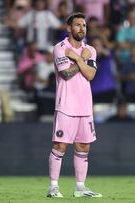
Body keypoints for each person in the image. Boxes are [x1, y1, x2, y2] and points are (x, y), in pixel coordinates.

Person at [47, 12, 102, 198]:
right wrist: (82, 60)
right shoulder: (60, 48)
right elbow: (66, 74)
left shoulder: (90, 50)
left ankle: (80, 188)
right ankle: (53, 187)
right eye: (78, 25)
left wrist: (78, 58)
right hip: (65, 106)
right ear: (69, 28)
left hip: (85, 107)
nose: (82, 29)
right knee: (60, 146)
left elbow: (91, 75)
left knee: (83, 147)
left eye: (84, 25)